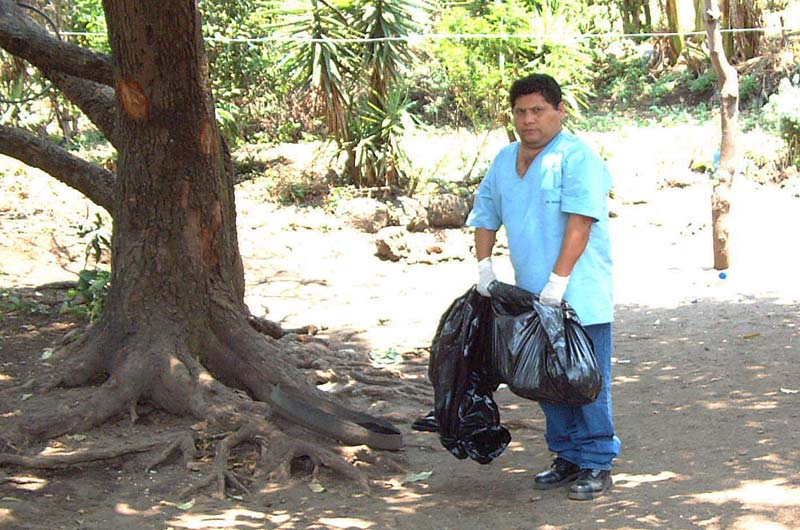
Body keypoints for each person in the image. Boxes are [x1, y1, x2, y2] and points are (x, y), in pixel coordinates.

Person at [466, 73, 620, 500]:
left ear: (559, 111)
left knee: (586, 381)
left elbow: (581, 221)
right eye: (520, 111)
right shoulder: (504, 161)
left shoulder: (577, 158)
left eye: (537, 110)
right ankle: (567, 455)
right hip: (529, 299)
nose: (528, 120)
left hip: (579, 296)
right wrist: (484, 268)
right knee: (545, 381)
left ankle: (596, 461)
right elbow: (485, 214)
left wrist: (559, 281)